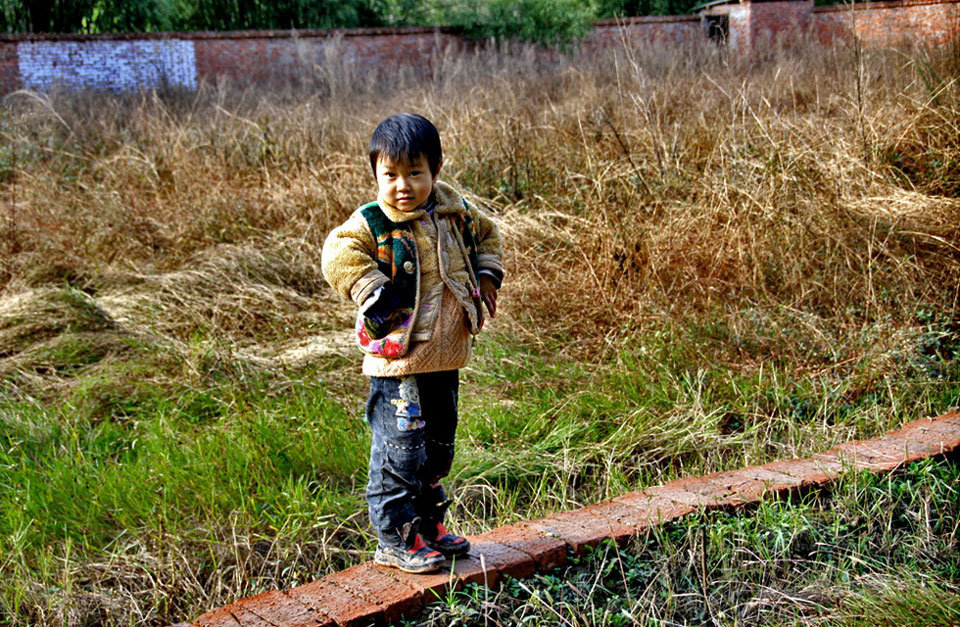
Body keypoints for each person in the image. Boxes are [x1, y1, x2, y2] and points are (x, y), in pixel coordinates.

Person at [321, 113, 504, 573]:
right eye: (391, 175)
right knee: (400, 449)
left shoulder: (453, 209)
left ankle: (428, 525)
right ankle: (395, 538)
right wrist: (369, 288)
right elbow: (337, 252)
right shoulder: (372, 221)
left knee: (438, 446)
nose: (402, 185)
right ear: (376, 175)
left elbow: (488, 234)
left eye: (415, 173)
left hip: (446, 355)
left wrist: (486, 275)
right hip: (398, 360)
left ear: (435, 171)